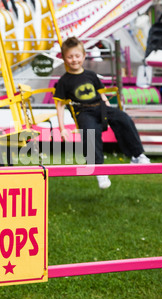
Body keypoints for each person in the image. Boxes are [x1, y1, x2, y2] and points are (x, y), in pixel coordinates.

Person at [53, 37, 150, 189]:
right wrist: (62, 128)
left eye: (77, 56)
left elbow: (101, 93)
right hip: (83, 112)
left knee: (123, 118)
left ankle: (137, 155)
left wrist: (107, 107)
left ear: (84, 56)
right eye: (70, 57)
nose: (74, 60)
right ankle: (99, 169)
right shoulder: (64, 81)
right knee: (90, 131)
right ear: (64, 58)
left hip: (100, 107)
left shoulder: (91, 75)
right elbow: (59, 105)